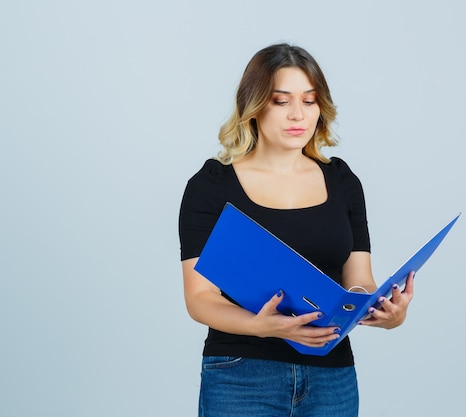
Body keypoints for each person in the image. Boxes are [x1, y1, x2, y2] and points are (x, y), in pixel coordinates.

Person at [178, 43, 414, 417]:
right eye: (280, 101)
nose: (297, 115)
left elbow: (358, 282)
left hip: (331, 377)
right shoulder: (211, 186)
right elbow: (200, 297)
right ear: (253, 106)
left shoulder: (342, 180)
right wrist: (263, 327)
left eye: (309, 100)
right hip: (242, 375)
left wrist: (383, 311)